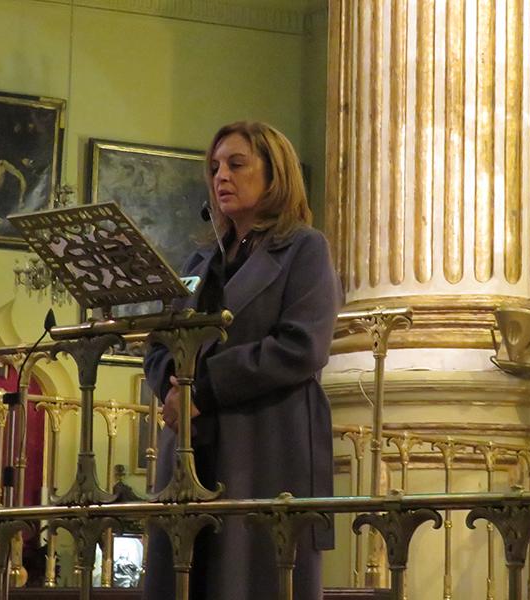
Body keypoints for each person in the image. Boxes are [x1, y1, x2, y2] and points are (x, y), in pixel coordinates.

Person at [143, 121, 341, 600]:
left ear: (274, 175)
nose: (220, 177)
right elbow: (157, 343)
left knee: (249, 581)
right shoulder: (198, 261)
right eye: (214, 168)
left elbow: (300, 346)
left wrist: (200, 391)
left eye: (236, 164)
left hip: (264, 447)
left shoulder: (304, 248)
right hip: (191, 452)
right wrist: (172, 383)